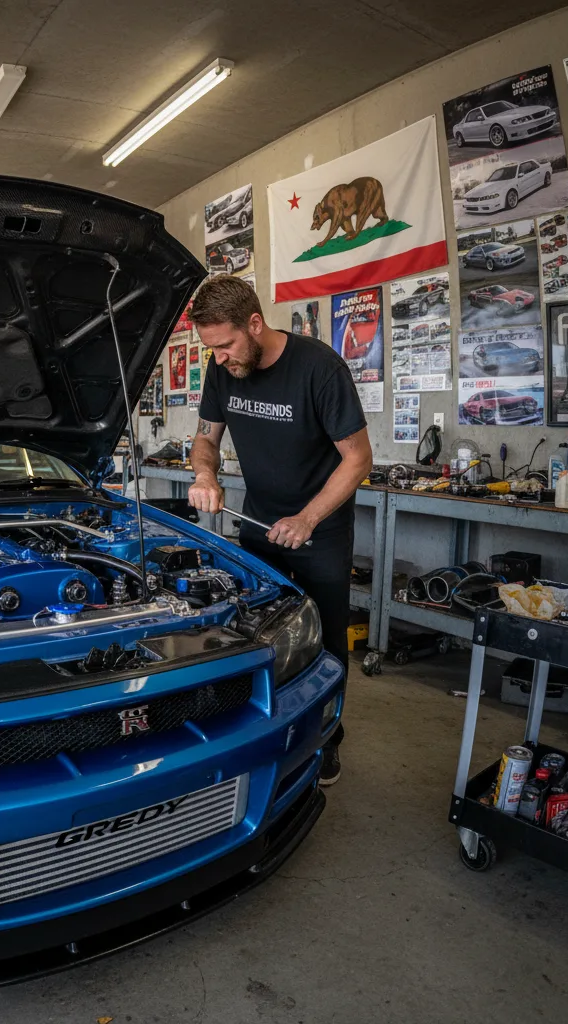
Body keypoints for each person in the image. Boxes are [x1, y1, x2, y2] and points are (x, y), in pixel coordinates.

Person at [187, 276, 373, 786]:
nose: (220, 358)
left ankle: (326, 740)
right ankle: (263, 733)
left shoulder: (319, 368)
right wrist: (205, 473)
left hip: (321, 531)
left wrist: (308, 518)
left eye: (225, 345)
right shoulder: (222, 369)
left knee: (326, 643)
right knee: (255, 633)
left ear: (254, 323)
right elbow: (205, 439)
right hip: (258, 524)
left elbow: (358, 460)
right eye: (211, 349)